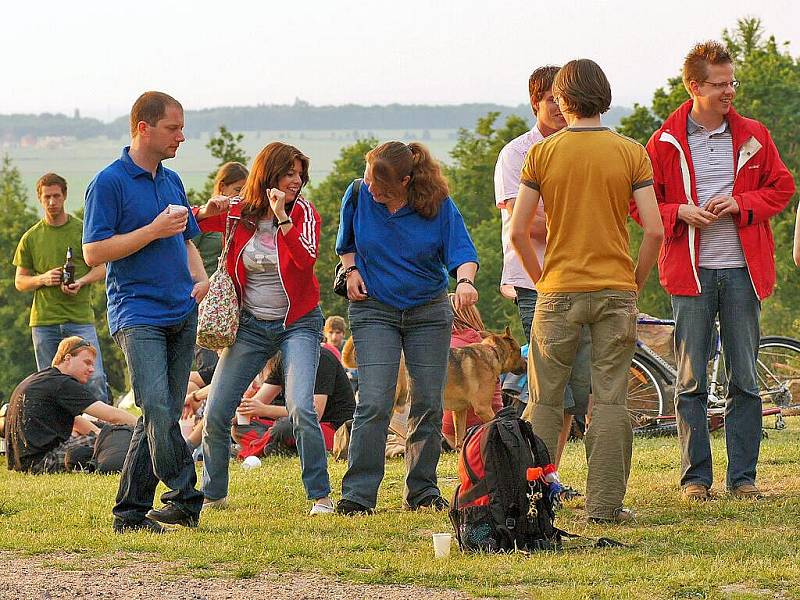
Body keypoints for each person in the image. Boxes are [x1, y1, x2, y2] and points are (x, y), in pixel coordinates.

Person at [510, 59, 664, 523]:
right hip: (616, 289)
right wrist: (632, 285)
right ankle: (604, 507)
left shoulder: (542, 153)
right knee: (612, 399)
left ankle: (533, 505)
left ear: (561, 99)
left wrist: (544, 282)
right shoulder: (631, 152)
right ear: (605, 96)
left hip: (558, 290)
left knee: (544, 401)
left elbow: (518, 232)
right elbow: (654, 230)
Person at [645, 41, 795, 500]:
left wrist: (742, 204)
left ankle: (743, 478)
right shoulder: (663, 141)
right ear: (694, 86)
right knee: (690, 378)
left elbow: (782, 188)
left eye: (732, 82)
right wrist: (679, 213)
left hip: (743, 272)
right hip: (690, 273)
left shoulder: (754, 135)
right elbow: (644, 207)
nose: (729, 90)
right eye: (719, 84)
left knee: (744, 376)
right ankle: (695, 479)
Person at [83, 91, 209, 534]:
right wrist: (151, 230)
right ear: (144, 128)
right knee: (155, 404)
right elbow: (94, 251)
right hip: (136, 312)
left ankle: (130, 514)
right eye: (173, 128)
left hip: (182, 308)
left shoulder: (172, 180)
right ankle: (185, 495)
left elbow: (187, 239)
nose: (181, 136)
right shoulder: (109, 182)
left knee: (162, 415)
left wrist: (202, 278)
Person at [335, 141, 479, 515]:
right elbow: (346, 244)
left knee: (428, 401)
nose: (371, 190)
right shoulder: (357, 194)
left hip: (428, 311)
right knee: (375, 400)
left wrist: (465, 282)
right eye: (368, 181)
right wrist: (350, 271)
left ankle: (422, 489)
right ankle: (358, 494)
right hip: (374, 309)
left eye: (379, 187)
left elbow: (462, 252)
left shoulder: (436, 204)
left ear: (405, 180)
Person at [194, 142, 333, 516]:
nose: (296, 181)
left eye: (300, 175)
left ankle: (321, 496)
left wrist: (282, 215)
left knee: (301, 407)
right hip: (251, 325)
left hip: (298, 323)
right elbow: (191, 225)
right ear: (269, 173)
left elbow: (304, 262)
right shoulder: (239, 214)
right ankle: (214, 491)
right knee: (217, 409)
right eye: (289, 173)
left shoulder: (303, 213)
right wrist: (205, 209)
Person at [494, 65, 592, 464]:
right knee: (550, 388)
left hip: (581, 276)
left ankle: (548, 473)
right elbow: (526, 219)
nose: (557, 106)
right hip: (537, 280)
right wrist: (582, 223)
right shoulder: (518, 153)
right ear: (536, 101)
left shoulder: (583, 147)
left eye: (563, 99)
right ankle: (535, 474)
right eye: (550, 98)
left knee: (573, 390)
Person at [13, 173, 109, 403]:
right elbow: (20, 281)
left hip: (79, 317)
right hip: (44, 321)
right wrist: (43, 279)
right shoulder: (31, 237)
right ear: (40, 198)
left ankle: (105, 431)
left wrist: (82, 281)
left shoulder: (81, 230)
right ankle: (59, 434)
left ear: (65, 196)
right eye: (47, 197)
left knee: (94, 377)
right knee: (48, 383)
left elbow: (104, 267)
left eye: (56, 196)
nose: (52, 202)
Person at [5, 337, 137, 474]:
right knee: (119, 434)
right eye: (87, 363)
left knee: (103, 428)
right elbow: (112, 416)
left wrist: (99, 432)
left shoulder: (40, 379)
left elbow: (76, 421)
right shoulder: (63, 384)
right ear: (67, 358)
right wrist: (146, 427)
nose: (92, 369)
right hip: (43, 462)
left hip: (23, 463)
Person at [235, 346, 356, 457]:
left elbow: (314, 413)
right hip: (294, 426)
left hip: (332, 429)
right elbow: (257, 402)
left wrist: (265, 410)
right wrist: (236, 413)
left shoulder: (321, 358)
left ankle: (254, 450)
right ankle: (279, 446)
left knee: (284, 428)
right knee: (238, 428)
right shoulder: (283, 360)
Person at [192, 162, 249, 386]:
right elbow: (186, 246)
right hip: (207, 296)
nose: (241, 196)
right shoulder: (211, 216)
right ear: (222, 187)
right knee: (210, 367)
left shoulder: (238, 215)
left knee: (228, 362)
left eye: (245, 192)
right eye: (237, 190)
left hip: (229, 299)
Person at [441, 294, 503, 450]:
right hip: (483, 427)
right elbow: (485, 408)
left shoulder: (440, 346)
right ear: (473, 315)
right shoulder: (481, 345)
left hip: (446, 432)